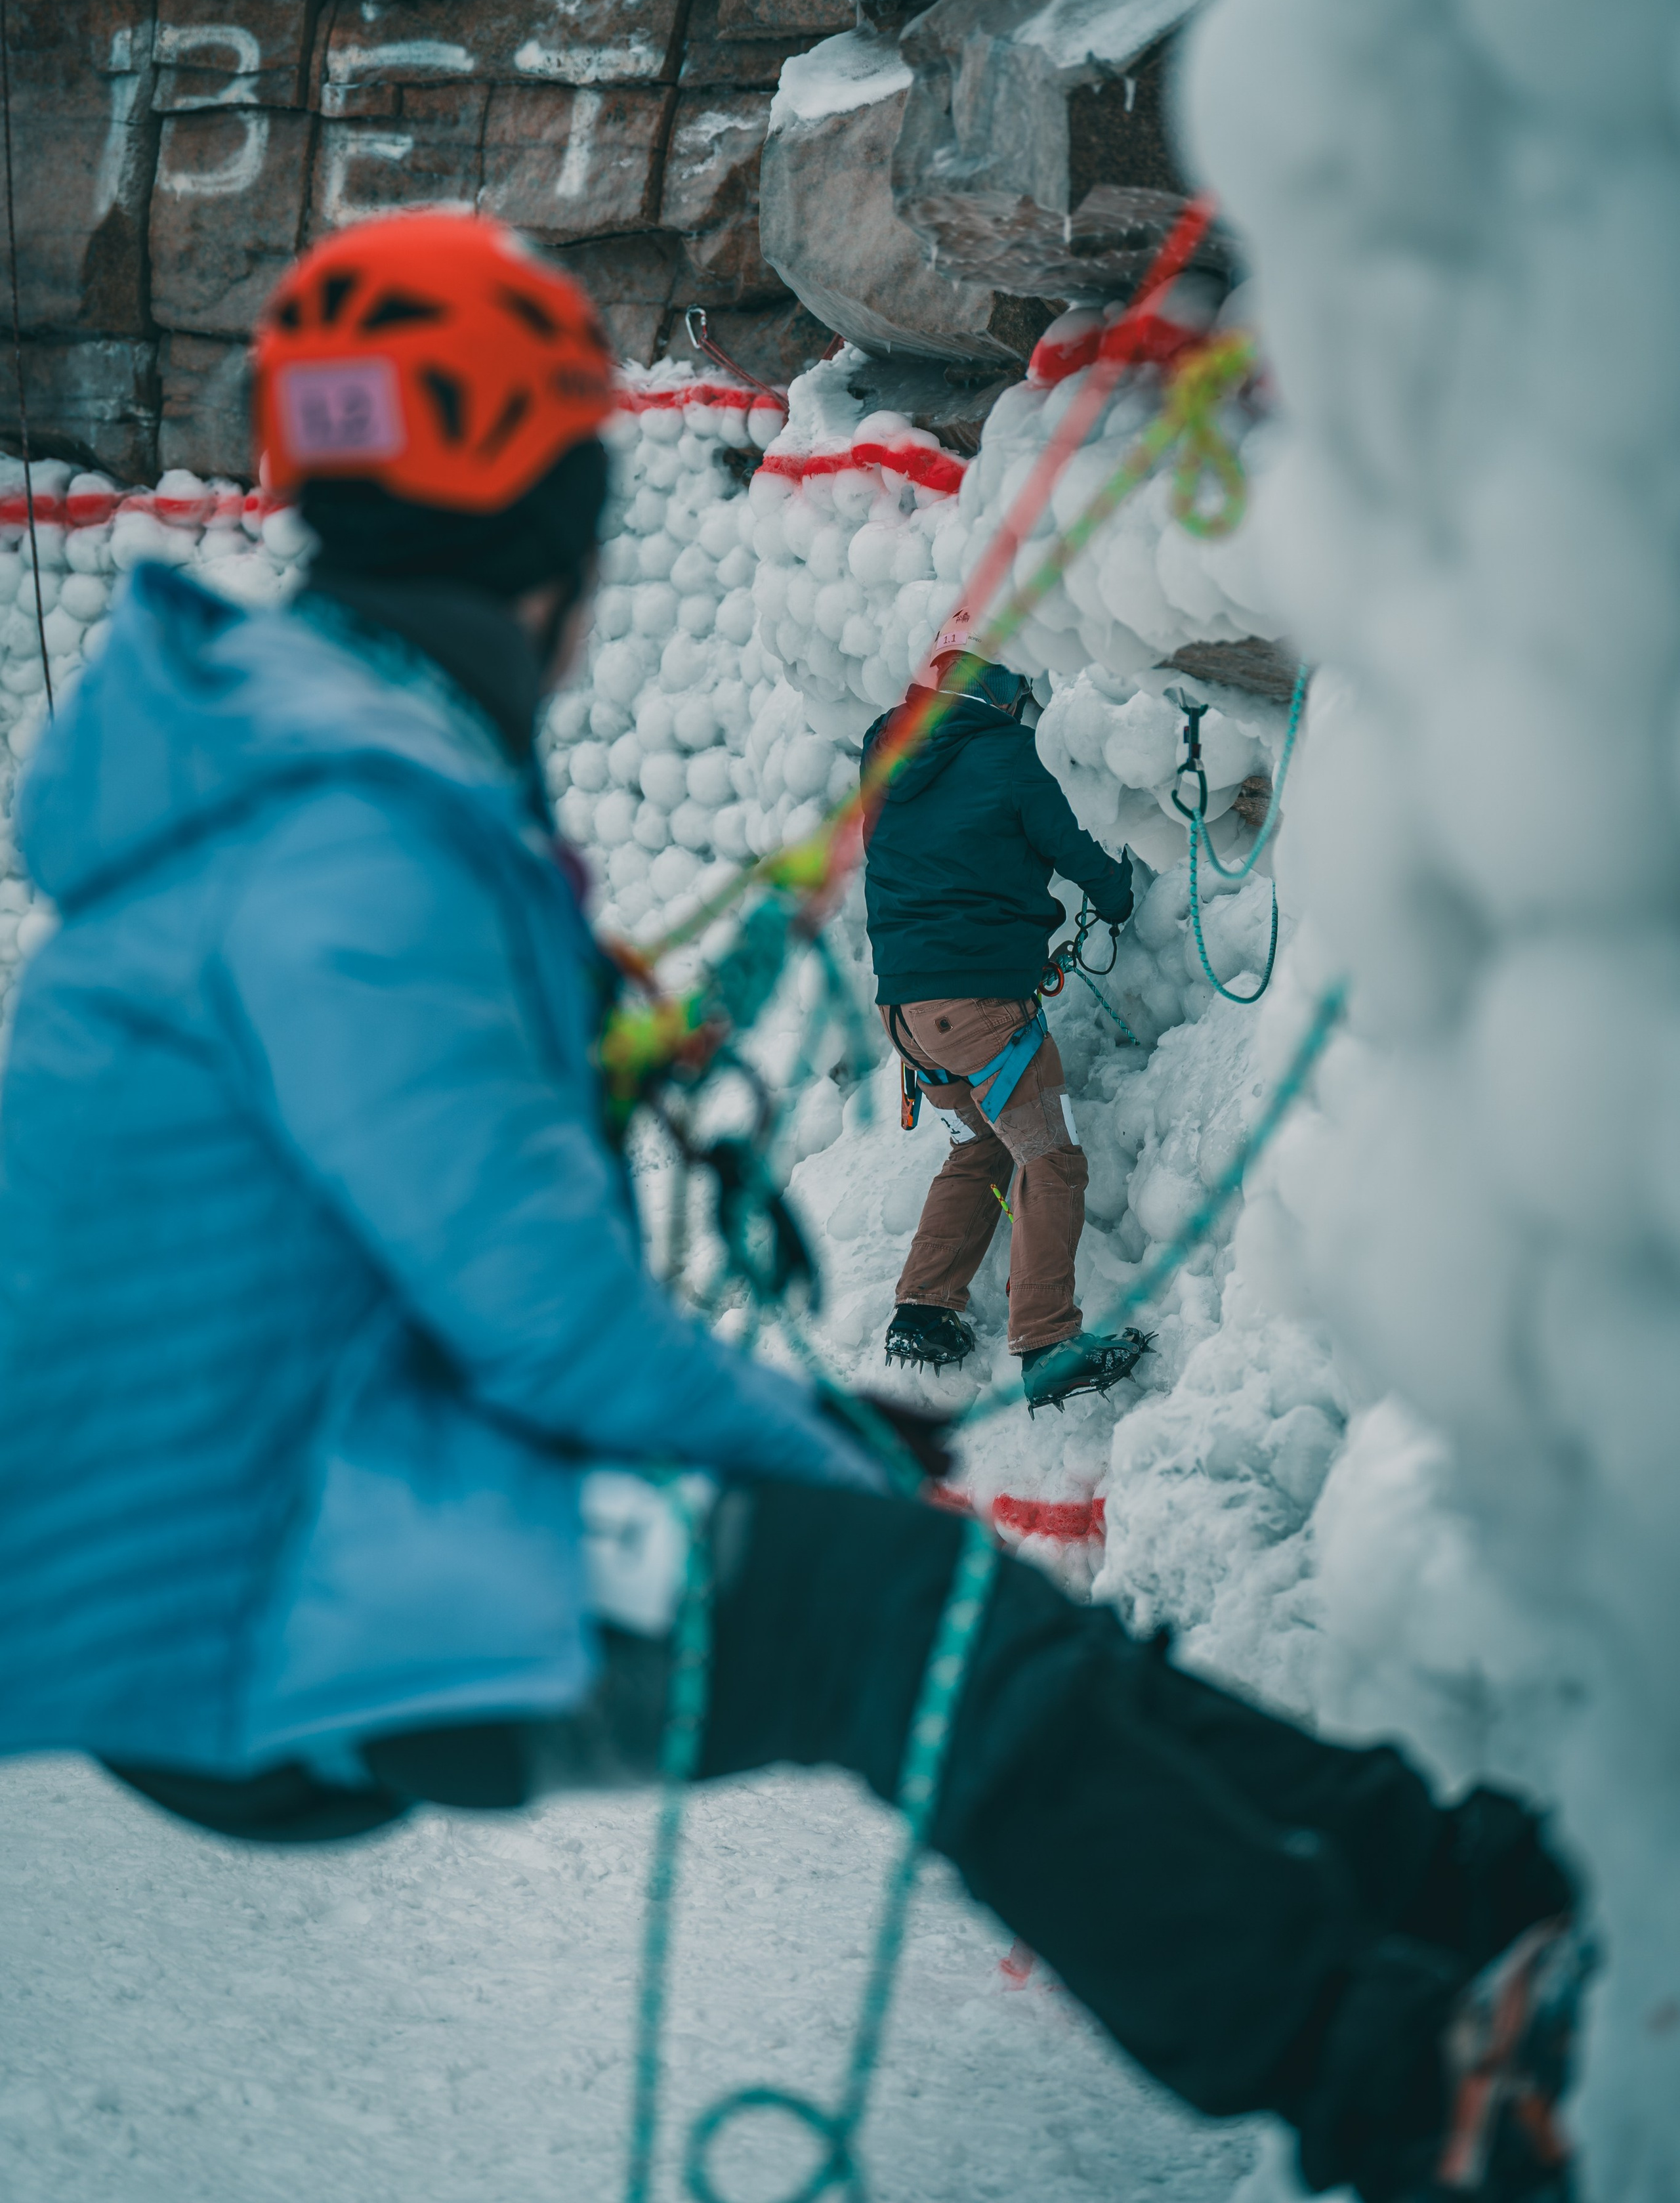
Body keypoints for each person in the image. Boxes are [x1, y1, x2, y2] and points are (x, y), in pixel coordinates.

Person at [0, 211, 1587, 2203]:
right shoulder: (344, 840)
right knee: (888, 1625)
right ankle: (1414, 2086)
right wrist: (806, 1461)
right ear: (548, 544)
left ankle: (1462, 1887)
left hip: (261, 1517)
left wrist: (815, 1441)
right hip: (253, 1583)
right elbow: (544, 1321)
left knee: (926, 1599)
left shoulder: (285, 778)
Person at [860, 630, 1138, 1392]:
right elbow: (1071, 849)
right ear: (997, 693)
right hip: (979, 1008)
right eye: (1016, 698)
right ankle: (1048, 1342)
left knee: (976, 1148)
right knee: (1050, 1160)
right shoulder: (1010, 758)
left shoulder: (881, 757)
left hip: (909, 1019)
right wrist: (1116, 896)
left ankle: (922, 1309)